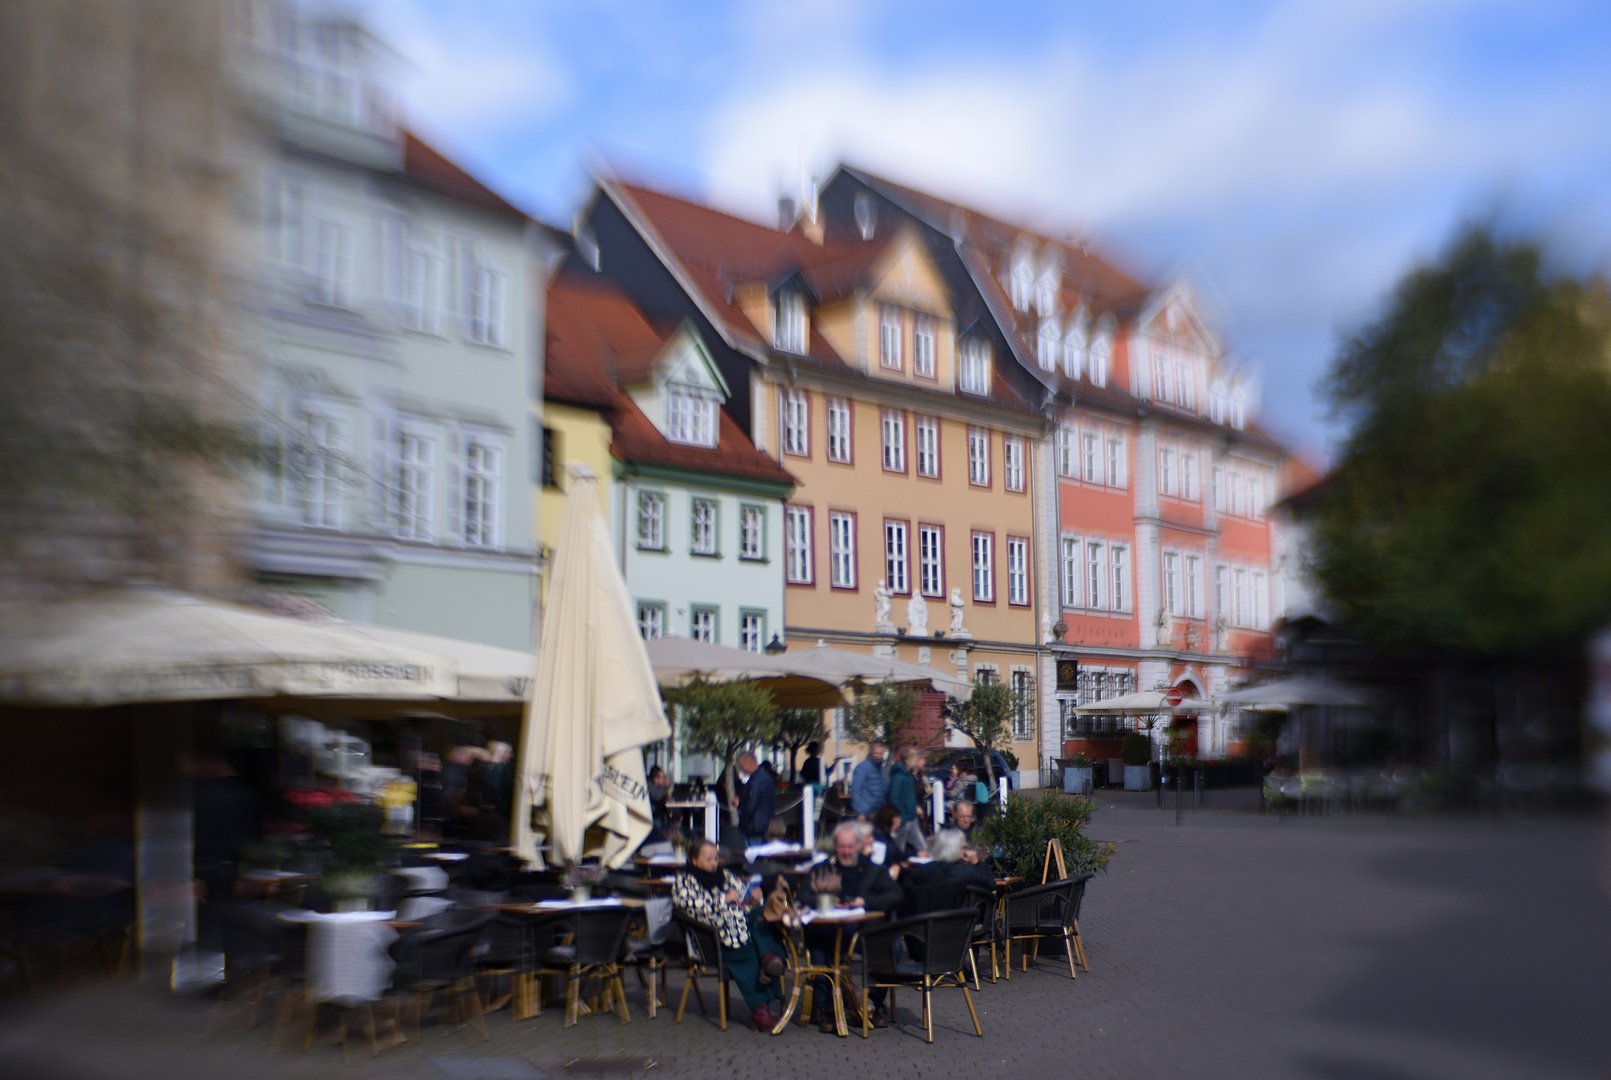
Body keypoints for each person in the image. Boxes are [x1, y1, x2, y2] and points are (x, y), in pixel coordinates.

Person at [670, 839, 785, 1032]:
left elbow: (742, 894)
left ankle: (768, 958)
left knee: (763, 914)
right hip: (712, 939)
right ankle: (760, 1008)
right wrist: (724, 899)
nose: (714, 863)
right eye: (708, 859)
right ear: (693, 860)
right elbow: (691, 906)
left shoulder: (723, 875)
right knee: (744, 942)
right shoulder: (684, 881)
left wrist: (754, 898)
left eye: (716, 858)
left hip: (738, 929)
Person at [801, 821, 903, 1031]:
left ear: (858, 845)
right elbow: (803, 895)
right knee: (821, 946)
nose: (846, 851)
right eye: (841, 846)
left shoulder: (873, 870)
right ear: (835, 846)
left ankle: (871, 1004)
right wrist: (827, 900)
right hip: (830, 930)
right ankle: (827, 1009)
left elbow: (895, 895)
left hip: (865, 931)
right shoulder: (823, 869)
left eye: (850, 846)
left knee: (894, 947)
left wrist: (865, 902)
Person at [884, 747, 929, 856]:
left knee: (923, 847)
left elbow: (909, 797)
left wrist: (914, 808)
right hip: (902, 820)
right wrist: (900, 816)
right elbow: (893, 798)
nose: (917, 761)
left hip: (911, 818)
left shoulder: (909, 776)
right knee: (898, 849)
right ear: (908, 761)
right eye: (915, 759)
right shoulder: (898, 777)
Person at [733, 752, 775, 845]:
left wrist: (743, 822)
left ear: (748, 764)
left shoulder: (755, 781)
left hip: (755, 826)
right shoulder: (766, 777)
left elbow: (751, 806)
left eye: (741, 766)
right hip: (766, 824)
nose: (740, 769)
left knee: (754, 854)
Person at [850, 741, 889, 820]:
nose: (878, 756)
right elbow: (856, 791)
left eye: (880, 754)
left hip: (879, 810)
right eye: (876, 753)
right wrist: (860, 812)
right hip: (866, 812)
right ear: (871, 751)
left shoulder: (881, 768)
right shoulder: (863, 768)